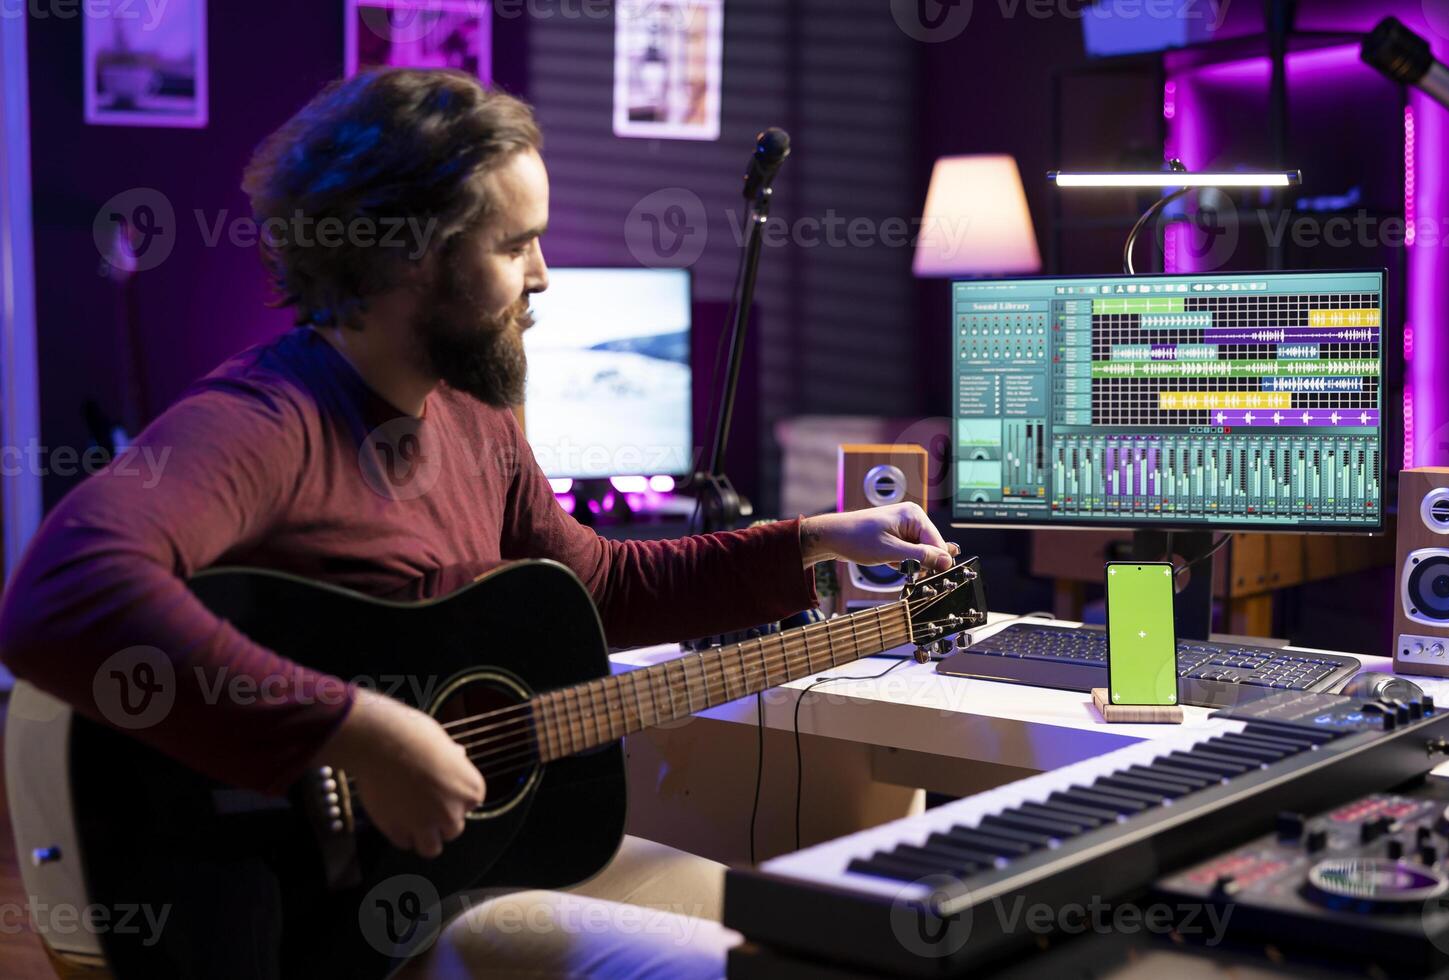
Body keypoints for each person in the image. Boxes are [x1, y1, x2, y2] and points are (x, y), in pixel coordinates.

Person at [0, 68, 957, 978]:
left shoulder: (477, 418)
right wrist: (358, 734)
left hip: (457, 870)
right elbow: (61, 596)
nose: (544, 275)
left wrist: (813, 543)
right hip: (319, 919)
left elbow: (600, 588)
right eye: (513, 245)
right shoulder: (267, 423)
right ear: (405, 253)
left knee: (804, 926)